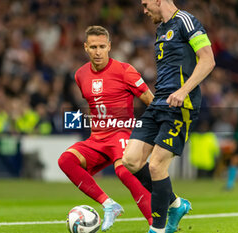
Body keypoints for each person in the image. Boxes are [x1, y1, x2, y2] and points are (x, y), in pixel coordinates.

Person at [122, 1, 215, 233]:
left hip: (181, 105)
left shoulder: (186, 21)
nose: (143, 10)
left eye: (145, 4)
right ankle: (175, 203)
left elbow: (208, 60)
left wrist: (184, 91)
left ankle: (158, 229)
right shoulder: (161, 29)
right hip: (159, 103)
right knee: (131, 161)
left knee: (156, 166)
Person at [58, 25, 155, 231]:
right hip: (97, 139)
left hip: (122, 133)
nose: (98, 51)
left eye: (102, 46)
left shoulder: (125, 71)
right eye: (93, 47)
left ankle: (155, 225)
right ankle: (109, 205)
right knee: (66, 160)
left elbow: (151, 101)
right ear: (85, 47)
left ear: (109, 46)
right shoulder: (80, 75)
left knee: (123, 172)